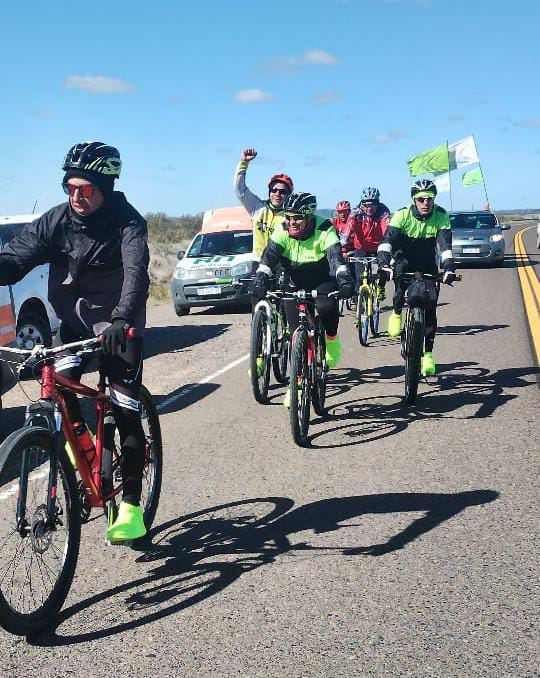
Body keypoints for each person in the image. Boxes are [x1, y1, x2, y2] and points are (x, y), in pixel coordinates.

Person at [0, 141, 150, 543]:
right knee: (59, 388)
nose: (76, 196)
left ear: (105, 185)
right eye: (70, 187)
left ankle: (132, 505)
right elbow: (17, 258)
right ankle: (79, 448)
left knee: (125, 407)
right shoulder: (56, 220)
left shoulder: (128, 222)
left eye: (85, 188)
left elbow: (136, 273)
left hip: (120, 325)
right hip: (73, 324)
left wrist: (121, 318)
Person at [251, 192, 354, 407]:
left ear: (308, 217)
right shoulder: (282, 230)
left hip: (321, 280)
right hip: (294, 282)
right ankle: (296, 387)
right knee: (295, 332)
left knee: (326, 308)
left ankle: (331, 339)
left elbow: (336, 258)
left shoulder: (325, 229)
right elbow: (269, 256)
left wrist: (344, 279)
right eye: (288, 217)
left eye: (297, 217)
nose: (291, 222)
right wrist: (260, 278)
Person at [377, 179, 456, 376]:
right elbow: (387, 241)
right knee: (399, 293)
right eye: (421, 199)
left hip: (427, 263)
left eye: (429, 198)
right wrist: (384, 264)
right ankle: (396, 313)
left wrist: (448, 268)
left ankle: (428, 354)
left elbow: (445, 247)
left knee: (430, 309)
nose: (425, 203)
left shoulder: (441, 215)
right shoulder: (402, 215)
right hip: (404, 260)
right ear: (414, 199)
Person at [233, 148, 294, 268]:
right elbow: (238, 189)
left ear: (289, 195)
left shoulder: (291, 216)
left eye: (282, 192)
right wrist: (244, 163)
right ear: (269, 192)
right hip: (258, 261)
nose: (277, 194)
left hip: (282, 263)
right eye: (274, 190)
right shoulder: (257, 208)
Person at [349, 187, 390, 297]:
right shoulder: (356, 212)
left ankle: (381, 287)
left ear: (378, 203)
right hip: (361, 247)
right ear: (362, 204)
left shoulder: (384, 212)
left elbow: (386, 229)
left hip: (379, 247)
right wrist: (343, 246)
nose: (369, 208)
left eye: (373, 204)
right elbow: (348, 229)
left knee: (384, 269)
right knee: (359, 276)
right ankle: (358, 298)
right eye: (366, 205)